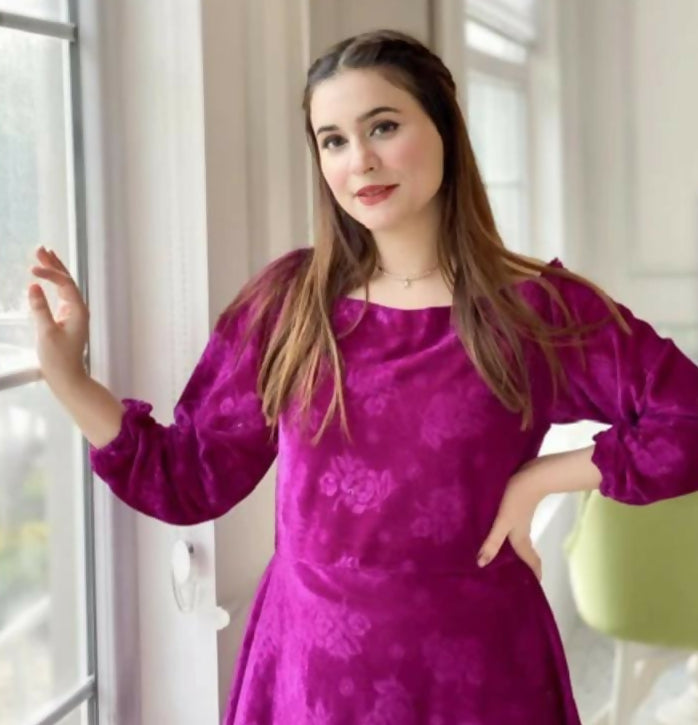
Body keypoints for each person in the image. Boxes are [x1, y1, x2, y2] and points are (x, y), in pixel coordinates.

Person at [27, 28, 698, 725]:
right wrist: (70, 378)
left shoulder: (531, 309)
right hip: (310, 678)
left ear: (444, 127)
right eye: (333, 140)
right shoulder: (290, 302)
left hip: (479, 672)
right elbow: (188, 476)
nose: (360, 161)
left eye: (383, 126)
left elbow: (687, 421)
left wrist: (537, 479)